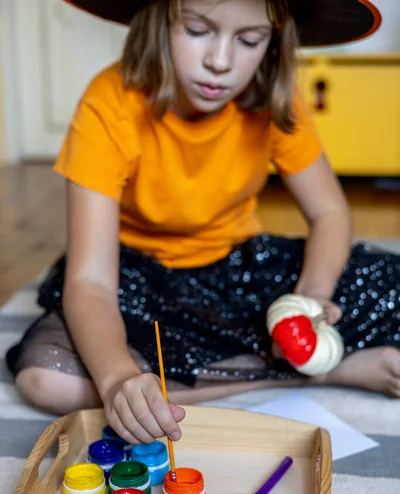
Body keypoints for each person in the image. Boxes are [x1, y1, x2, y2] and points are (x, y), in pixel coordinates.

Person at [7, 0, 399, 446]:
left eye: (249, 40)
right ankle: (318, 372)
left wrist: (311, 297)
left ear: (273, 42)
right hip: (137, 279)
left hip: (238, 270)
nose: (220, 62)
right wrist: (119, 378)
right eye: (197, 31)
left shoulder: (274, 97)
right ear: (158, 21)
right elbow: (92, 281)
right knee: (47, 380)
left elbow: (330, 213)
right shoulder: (108, 101)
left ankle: (255, 364)